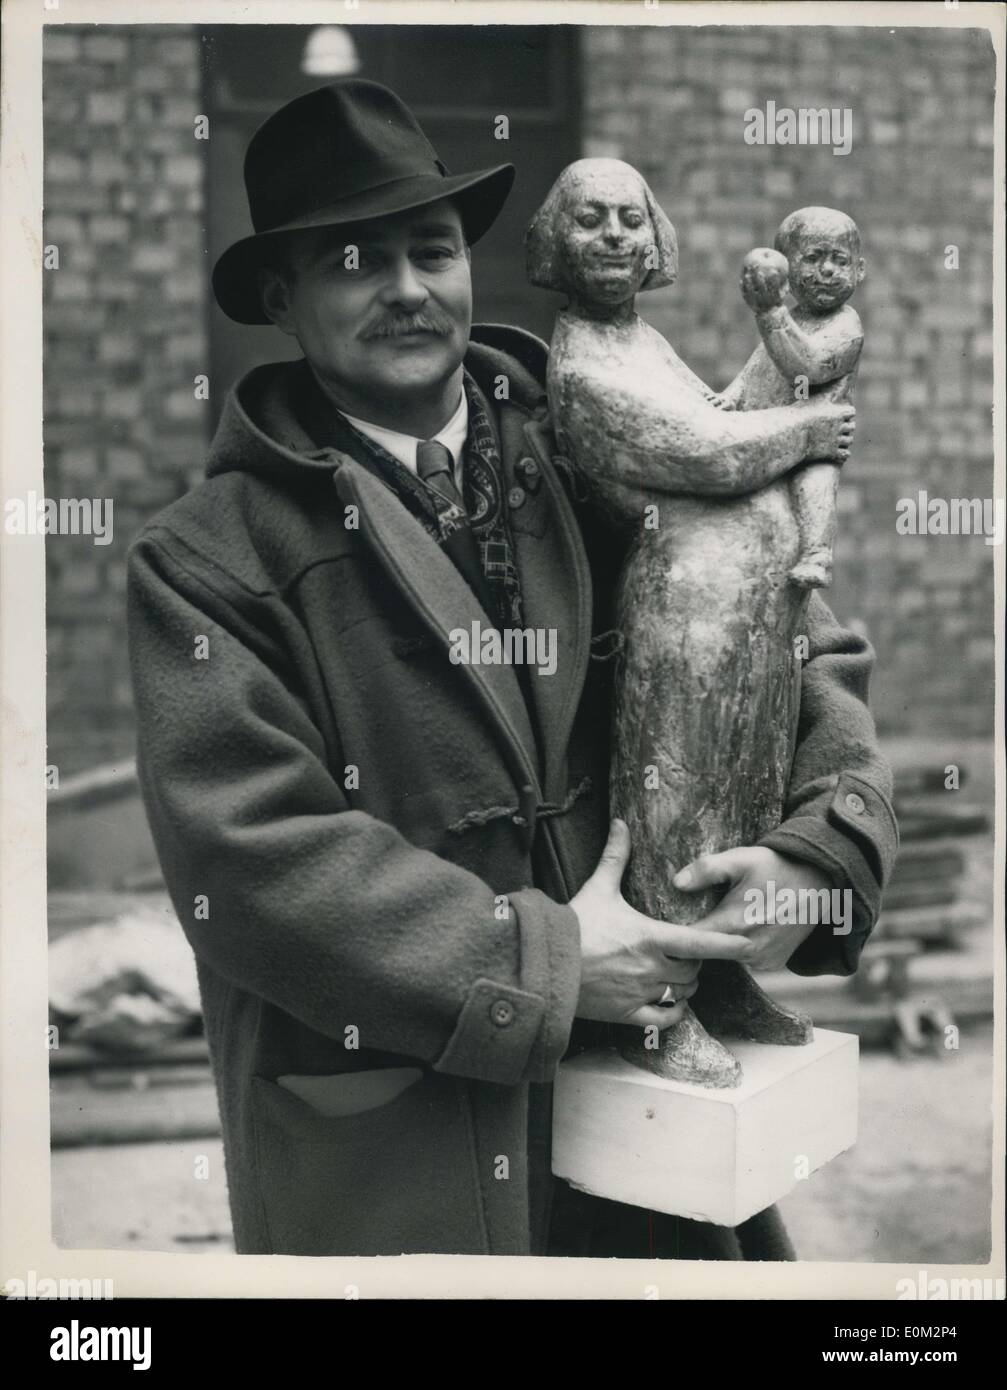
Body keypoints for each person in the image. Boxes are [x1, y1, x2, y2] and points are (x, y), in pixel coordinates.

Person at [127, 79, 898, 1259]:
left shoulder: (584, 432)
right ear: (280, 298)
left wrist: (809, 856)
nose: (403, 288)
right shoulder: (206, 560)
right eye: (350, 260)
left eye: (429, 248)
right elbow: (247, 865)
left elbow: (806, 641)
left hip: (651, 1141)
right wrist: (545, 962)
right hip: (403, 1153)